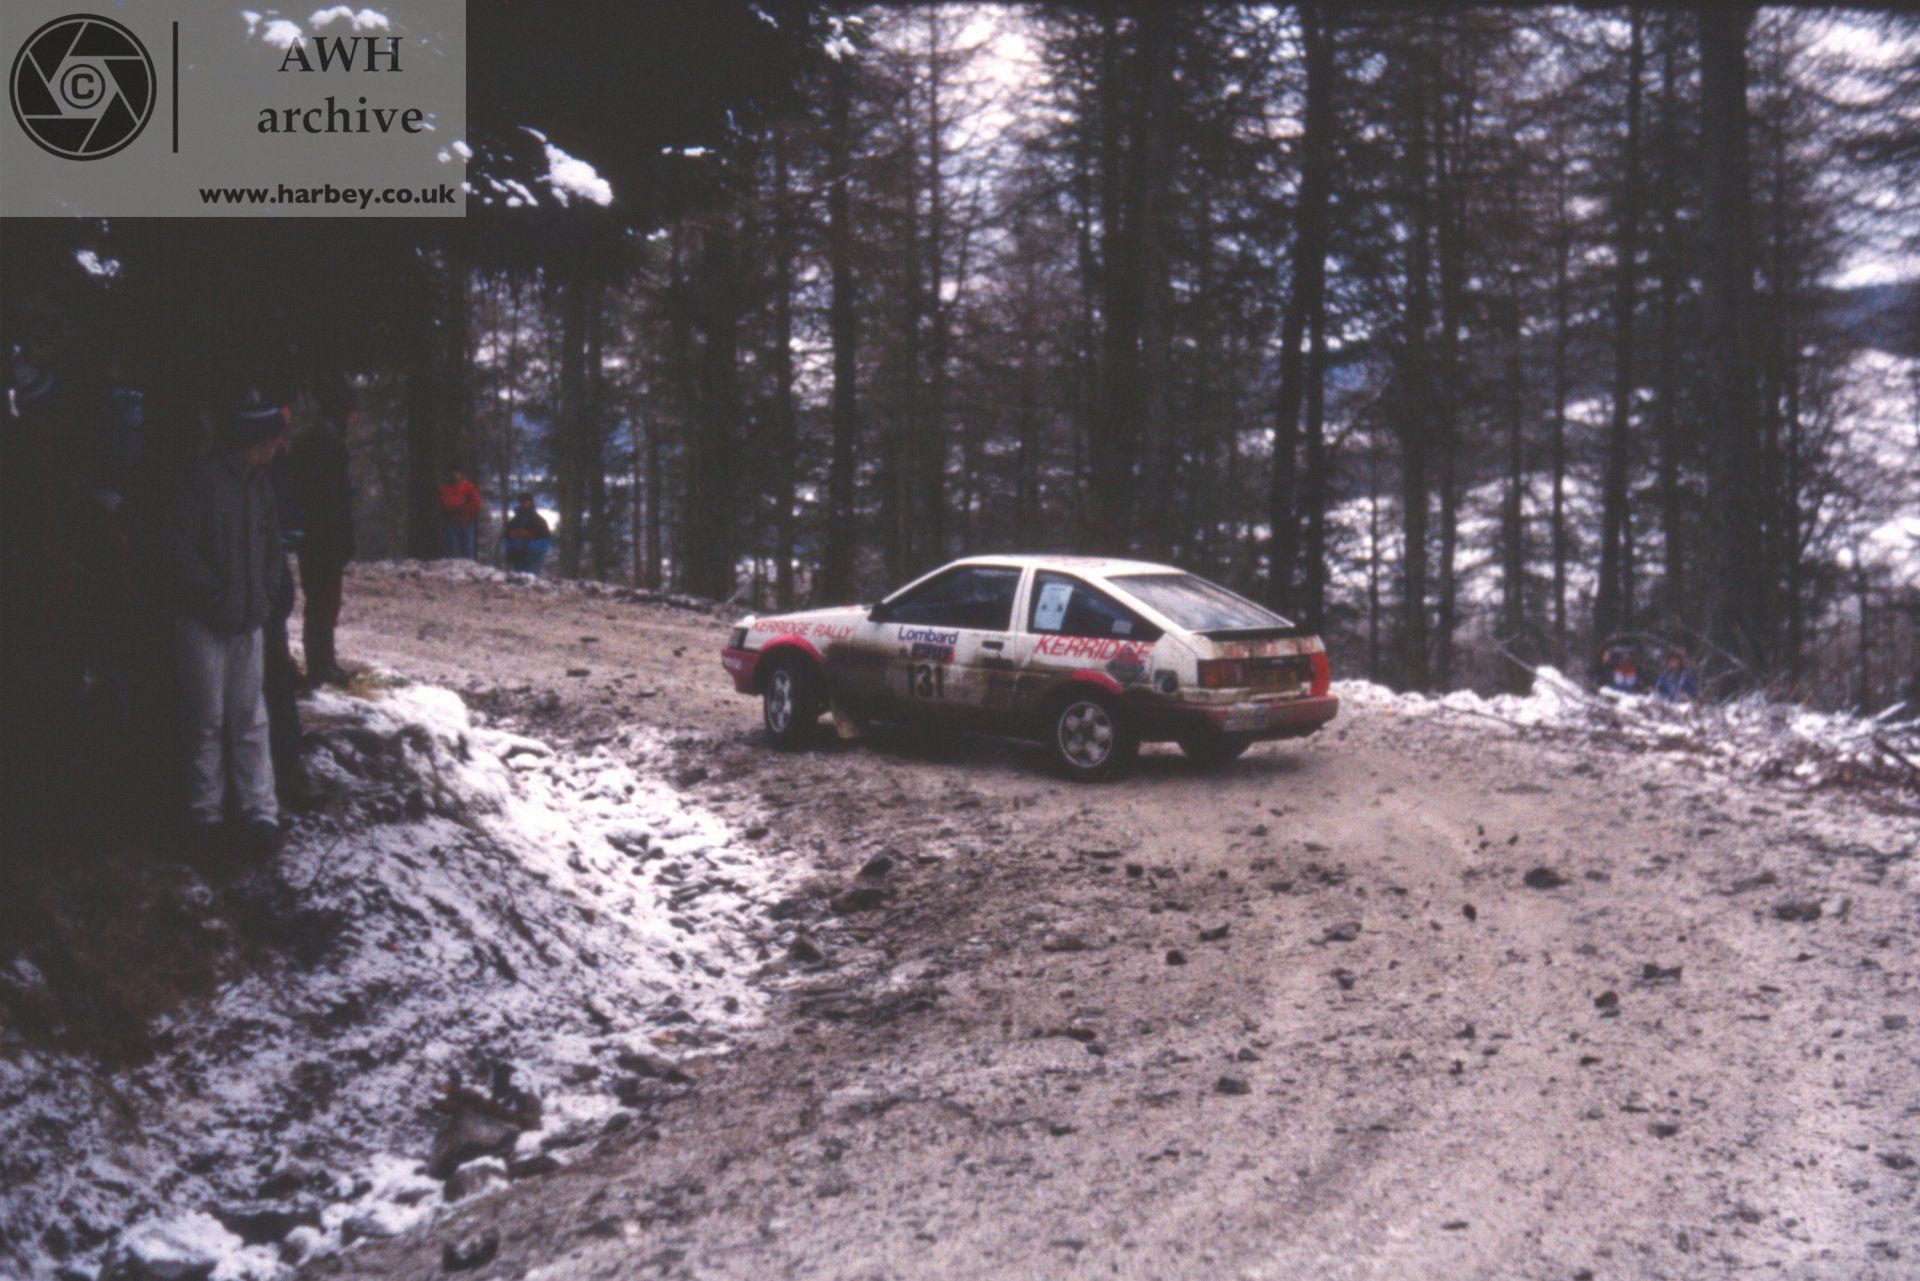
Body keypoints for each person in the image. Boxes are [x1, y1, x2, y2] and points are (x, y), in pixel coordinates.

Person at [163, 397, 286, 856]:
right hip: (202, 623)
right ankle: (206, 811)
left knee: (251, 718)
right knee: (206, 721)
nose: (278, 445)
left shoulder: (260, 485)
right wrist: (214, 597)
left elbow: (273, 547)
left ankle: (260, 810)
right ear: (253, 440)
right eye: (274, 436)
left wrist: (265, 596)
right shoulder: (202, 480)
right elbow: (178, 549)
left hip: (247, 621)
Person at [293, 379, 355, 685]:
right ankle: (321, 666)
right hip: (325, 534)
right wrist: (344, 536)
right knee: (324, 600)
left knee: (321, 599)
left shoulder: (309, 438)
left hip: (312, 532)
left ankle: (323, 662)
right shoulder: (329, 443)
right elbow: (335, 497)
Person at [502, 493, 552, 576]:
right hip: (516, 559)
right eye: (521, 502)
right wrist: (508, 550)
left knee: (531, 583)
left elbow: (544, 542)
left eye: (525, 502)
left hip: (533, 562)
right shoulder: (513, 522)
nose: (523, 504)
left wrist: (528, 552)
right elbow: (506, 538)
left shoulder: (539, 521)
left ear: (531, 503)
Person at [438, 467, 482, 559]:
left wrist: (462, 507)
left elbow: (476, 503)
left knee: (468, 553)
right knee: (453, 553)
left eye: (457, 473)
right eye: (452, 473)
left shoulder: (468, 486)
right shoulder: (444, 489)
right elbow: (447, 505)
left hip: (467, 523)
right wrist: (462, 505)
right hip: (451, 524)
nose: (455, 475)